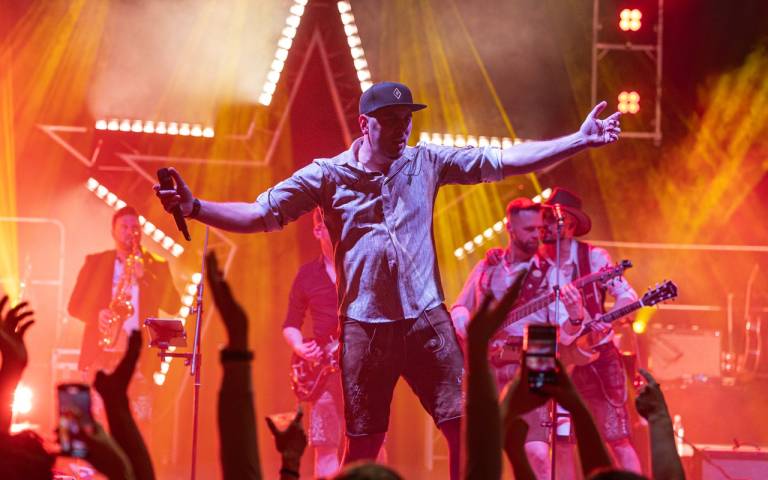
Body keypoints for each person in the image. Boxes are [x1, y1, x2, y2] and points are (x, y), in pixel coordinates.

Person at [155, 81, 622, 480]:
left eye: (407, 119)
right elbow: (261, 214)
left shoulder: (426, 161)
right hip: (366, 328)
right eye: (392, 120)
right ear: (365, 124)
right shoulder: (328, 175)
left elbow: (504, 160)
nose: (403, 128)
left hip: (426, 320)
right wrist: (195, 208)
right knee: (363, 443)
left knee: (463, 428)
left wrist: (577, 141)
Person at [538, 187, 642, 473]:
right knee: (559, 441)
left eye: (554, 219)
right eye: (545, 218)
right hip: (550, 355)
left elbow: (628, 296)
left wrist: (608, 320)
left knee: (617, 438)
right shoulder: (535, 262)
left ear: (571, 225)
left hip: (597, 356)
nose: (547, 224)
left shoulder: (594, 258)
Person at [451, 197, 557, 477]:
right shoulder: (488, 266)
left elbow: (563, 330)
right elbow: (459, 306)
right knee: (480, 453)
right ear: (510, 228)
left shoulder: (550, 271)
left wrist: (576, 316)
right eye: (528, 229)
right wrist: (467, 328)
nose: (536, 235)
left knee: (537, 454)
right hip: (487, 367)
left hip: (534, 358)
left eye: (539, 229)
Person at [68, 206, 179, 425]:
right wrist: (96, 315)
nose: (130, 232)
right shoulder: (95, 262)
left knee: (139, 423)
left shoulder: (157, 265)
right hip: (101, 352)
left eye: (135, 227)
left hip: (140, 356)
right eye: (124, 227)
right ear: (113, 231)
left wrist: (144, 276)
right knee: (98, 421)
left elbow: (174, 305)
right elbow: (74, 306)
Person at [283, 209, 345, 477]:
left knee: (373, 444)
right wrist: (299, 346)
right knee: (325, 447)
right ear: (318, 230)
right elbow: (291, 323)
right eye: (333, 224)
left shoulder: (360, 268)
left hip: (362, 372)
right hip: (325, 375)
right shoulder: (307, 275)